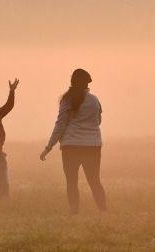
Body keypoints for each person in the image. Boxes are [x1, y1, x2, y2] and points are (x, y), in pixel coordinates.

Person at [40, 68, 107, 214]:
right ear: (87, 83)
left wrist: (48, 147)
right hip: (93, 146)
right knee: (95, 181)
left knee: (72, 182)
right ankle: (104, 211)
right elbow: (98, 121)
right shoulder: (95, 100)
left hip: (71, 146)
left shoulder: (67, 100)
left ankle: (74, 213)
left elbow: (61, 124)